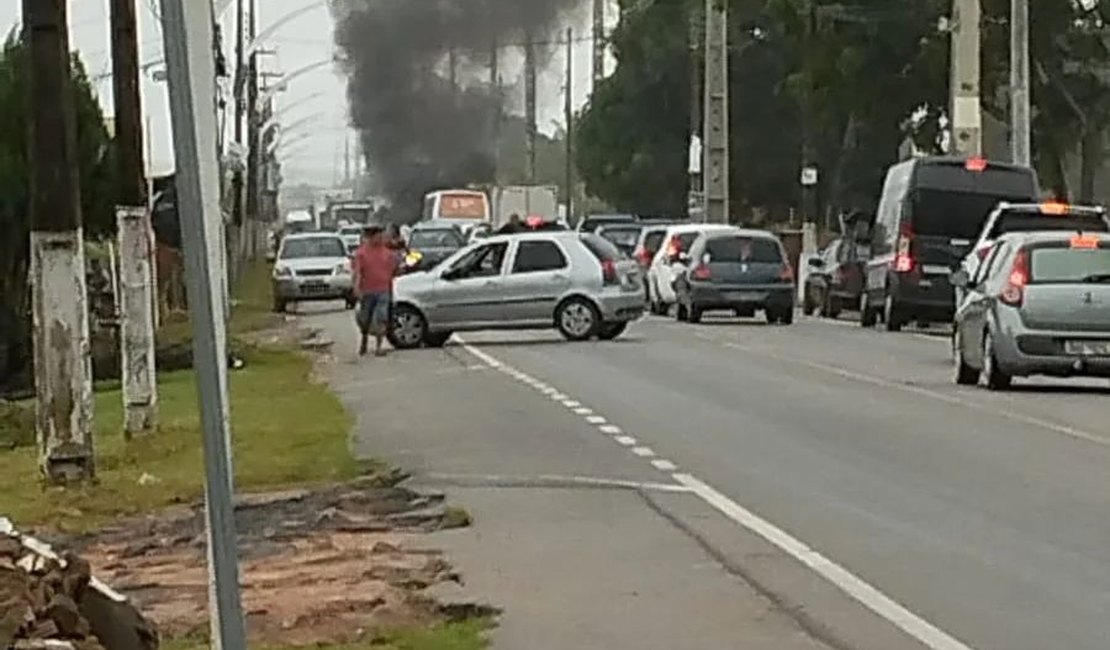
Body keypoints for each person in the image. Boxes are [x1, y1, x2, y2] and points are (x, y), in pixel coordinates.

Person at [352, 226, 400, 357]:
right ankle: (364, 338)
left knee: (381, 318)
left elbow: (395, 270)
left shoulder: (388, 253)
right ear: (370, 237)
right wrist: (356, 287)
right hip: (367, 291)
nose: (380, 238)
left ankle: (379, 346)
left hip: (383, 290)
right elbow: (358, 272)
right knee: (365, 319)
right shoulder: (361, 253)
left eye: (381, 235)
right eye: (377, 236)